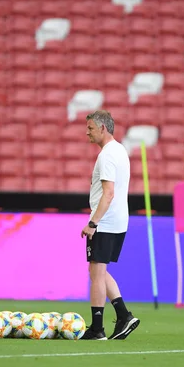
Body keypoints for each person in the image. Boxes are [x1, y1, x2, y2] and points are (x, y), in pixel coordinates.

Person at [79, 110, 140, 341]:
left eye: (91, 128)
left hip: (104, 222)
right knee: (97, 271)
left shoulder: (106, 155)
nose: (87, 133)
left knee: (96, 273)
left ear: (103, 128)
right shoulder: (120, 150)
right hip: (118, 221)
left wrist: (93, 222)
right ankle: (124, 315)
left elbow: (108, 193)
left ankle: (97, 329)